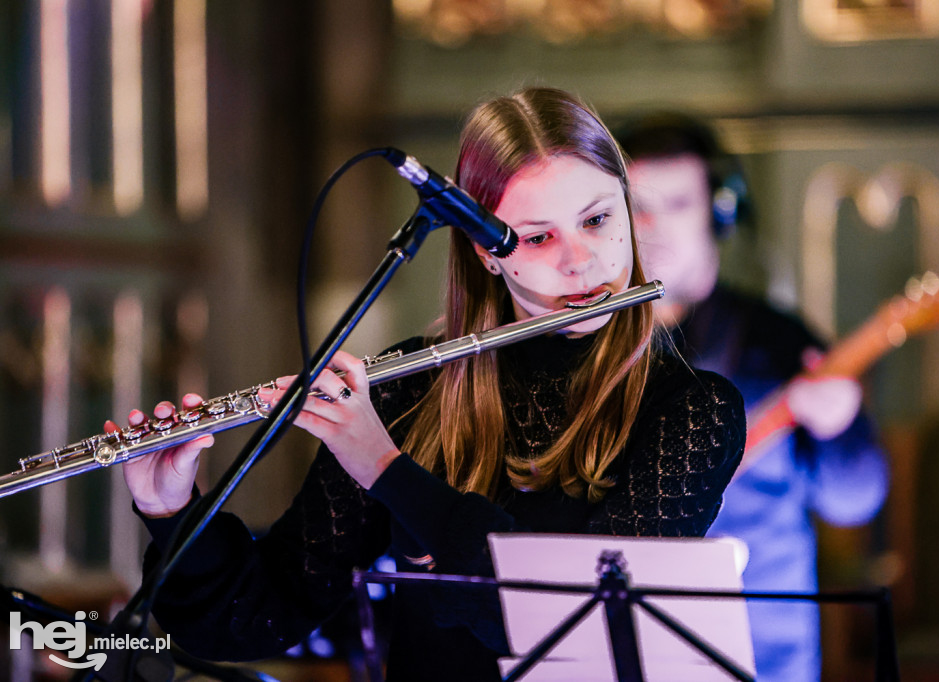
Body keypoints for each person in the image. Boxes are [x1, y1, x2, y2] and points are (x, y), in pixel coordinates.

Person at [107, 88, 747, 681]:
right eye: (537, 236)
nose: (579, 259)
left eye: (599, 219)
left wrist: (382, 465)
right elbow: (252, 619)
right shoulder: (409, 391)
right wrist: (172, 509)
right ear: (486, 251)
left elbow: (573, 633)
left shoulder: (692, 411)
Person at [617, 113, 889, 682]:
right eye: (636, 206)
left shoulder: (780, 340)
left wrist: (839, 427)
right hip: (622, 644)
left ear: (720, 212)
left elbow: (854, 500)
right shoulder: (590, 346)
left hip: (764, 648)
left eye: (678, 204)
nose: (653, 226)